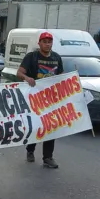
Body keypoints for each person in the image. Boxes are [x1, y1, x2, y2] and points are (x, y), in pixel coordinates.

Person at [16, 31, 62, 169]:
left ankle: (48, 157)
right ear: (39, 43)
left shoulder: (57, 58)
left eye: (50, 42)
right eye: (45, 42)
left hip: (51, 99)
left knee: (50, 126)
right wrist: (27, 78)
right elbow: (19, 73)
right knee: (36, 126)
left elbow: (60, 76)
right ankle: (30, 150)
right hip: (34, 98)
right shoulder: (32, 57)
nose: (47, 44)